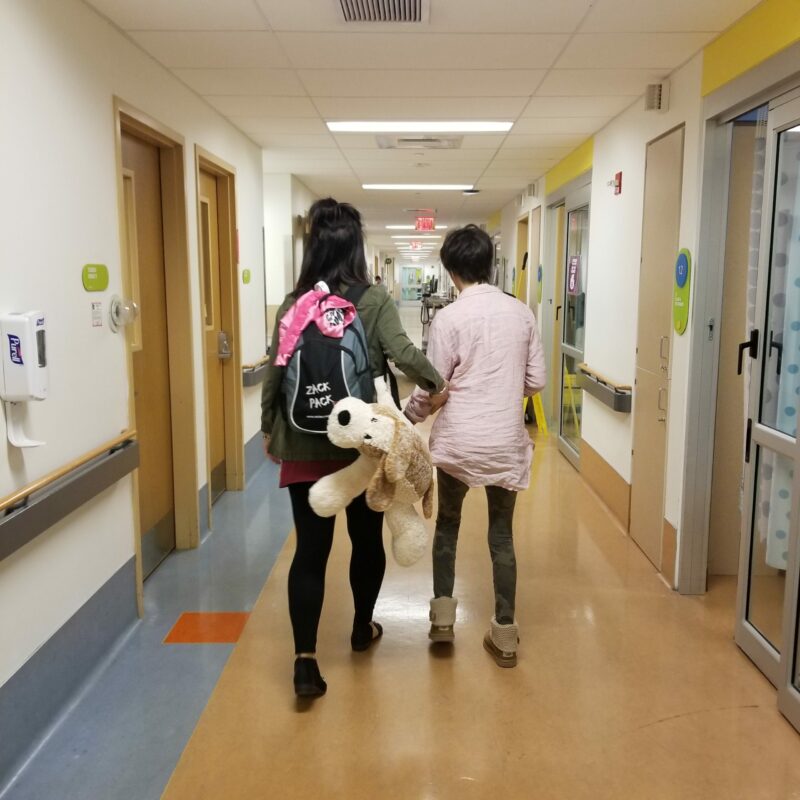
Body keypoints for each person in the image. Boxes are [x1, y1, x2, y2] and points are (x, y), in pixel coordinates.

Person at [261, 198, 448, 698]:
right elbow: (403, 354)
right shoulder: (373, 298)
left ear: (313, 245)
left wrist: (267, 429)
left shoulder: (291, 304)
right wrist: (438, 381)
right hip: (361, 449)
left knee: (310, 552)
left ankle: (304, 662)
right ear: (357, 247)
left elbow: (275, 374)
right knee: (366, 543)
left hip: (302, 444)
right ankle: (362, 629)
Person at [405, 224, 545, 668]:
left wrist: (409, 417)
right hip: (504, 441)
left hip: (459, 445)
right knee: (501, 536)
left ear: (451, 271)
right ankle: (505, 634)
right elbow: (537, 381)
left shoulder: (448, 318)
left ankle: (443, 620)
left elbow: (433, 385)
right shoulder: (522, 314)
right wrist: (504, 388)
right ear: (488, 264)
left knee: (447, 527)